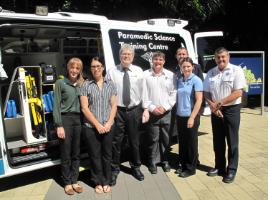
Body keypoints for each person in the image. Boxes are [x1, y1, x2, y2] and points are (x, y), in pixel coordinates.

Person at [204, 47, 246, 183]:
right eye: (218, 57)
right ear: (215, 58)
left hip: (231, 110)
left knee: (232, 142)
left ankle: (231, 170)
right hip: (216, 110)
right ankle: (219, 167)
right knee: (218, 141)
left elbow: (238, 92)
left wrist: (219, 103)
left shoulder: (236, 70)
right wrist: (213, 106)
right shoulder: (211, 72)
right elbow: (206, 92)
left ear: (228, 56)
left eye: (223, 57)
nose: (220, 60)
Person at [107, 44, 144, 186]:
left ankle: (136, 167)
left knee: (134, 141)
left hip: (134, 110)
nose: (126, 56)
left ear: (133, 56)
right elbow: (108, 93)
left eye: (129, 54)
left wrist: (143, 109)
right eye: (124, 54)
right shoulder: (112, 72)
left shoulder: (139, 71)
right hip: (118, 111)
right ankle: (114, 170)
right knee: (116, 142)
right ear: (120, 56)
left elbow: (144, 91)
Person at [80, 57, 117, 193]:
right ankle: (97, 181)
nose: (96, 69)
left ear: (102, 67)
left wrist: (108, 123)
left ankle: (106, 180)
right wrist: (97, 125)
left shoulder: (110, 84)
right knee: (95, 155)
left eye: (98, 66)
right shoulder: (86, 85)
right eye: (93, 66)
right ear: (90, 69)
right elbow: (84, 108)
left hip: (108, 126)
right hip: (91, 128)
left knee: (107, 155)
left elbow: (113, 106)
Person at [53, 57, 84, 195]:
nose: (74, 70)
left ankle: (75, 180)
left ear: (80, 70)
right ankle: (66, 182)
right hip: (65, 120)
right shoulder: (60, 83)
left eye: (77, 68)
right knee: (66, 153)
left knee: (76, 153)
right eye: (72, 67)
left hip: (78, 120)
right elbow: (56, 105)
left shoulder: (82, 84)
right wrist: (58, 124)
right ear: (68, 68)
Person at [142, 51, 177, 174]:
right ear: (152, 60)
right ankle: (153, 161)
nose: (158, 62)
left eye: (160, 60)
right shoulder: (145, 75)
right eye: (156, 59)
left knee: (166, 138)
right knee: (153, 138)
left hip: (166, 112)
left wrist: (165, 107)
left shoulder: (171, 75)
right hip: (152, 113)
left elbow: (174, 93)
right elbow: (143, 93)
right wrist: (151, 108)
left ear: (164, 61)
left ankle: (165, 160)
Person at [172, 47, 204, 174]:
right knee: (183, 142)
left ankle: (191, 168)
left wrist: (192, 117)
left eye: (188, 66)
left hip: (191, 116)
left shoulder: (196, 80)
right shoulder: (180, 80)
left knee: (191, 143)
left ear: (192, 67)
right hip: (180, 116)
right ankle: (183, 164)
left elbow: (199, 100)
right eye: (184, 67)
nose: (186, 69)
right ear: (181, 67)